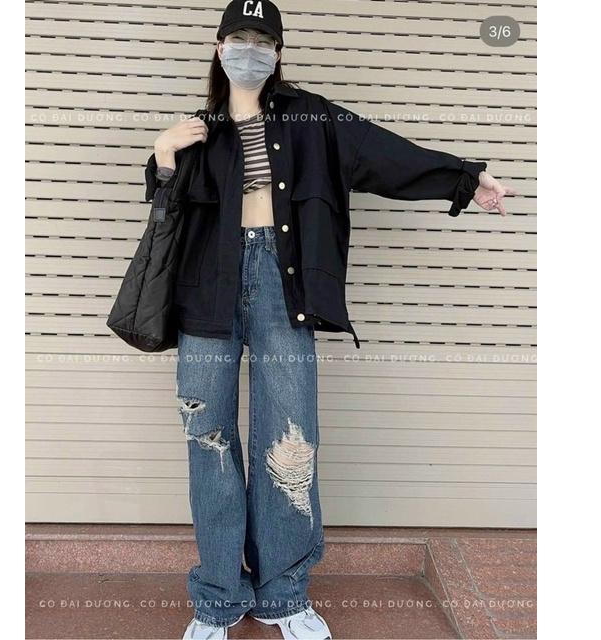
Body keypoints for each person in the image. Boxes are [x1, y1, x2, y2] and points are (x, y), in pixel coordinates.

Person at [147, 2, 517, 638]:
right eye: (238, 38)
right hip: (203, 294)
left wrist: (464, 179)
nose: (249, 49)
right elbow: (164, 214)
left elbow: (386, 154)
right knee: (208, 440)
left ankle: (284, 596)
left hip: (282, 286)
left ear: (278, 53)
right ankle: (217, 600)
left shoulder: (314, 118)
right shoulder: (197, 131)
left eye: (262, 40)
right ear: (218, 48)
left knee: (289, 438)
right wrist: (161, 156)